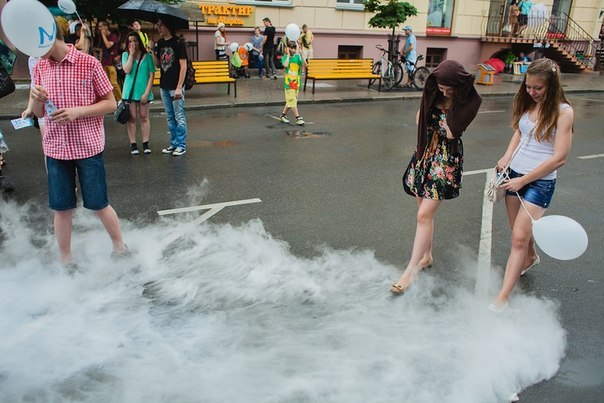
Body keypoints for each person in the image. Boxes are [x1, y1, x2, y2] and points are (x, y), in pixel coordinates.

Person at [28, 21, 128, 267]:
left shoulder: (89, 63)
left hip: (87, 146)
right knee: (61, 208)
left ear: (50, 36)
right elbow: (39, 113)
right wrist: (36, 100)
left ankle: (120, 248)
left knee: (99, 203)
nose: (33, 51)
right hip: (55, 148)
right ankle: (66, 260)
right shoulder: (40, 66)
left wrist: (78, 112)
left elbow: (111, 104)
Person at [391, 60, 482, 294]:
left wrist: (451, 103)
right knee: (424, 215)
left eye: (448, 88)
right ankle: (427, 256)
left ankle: (410, 271)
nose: (444, 91)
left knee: (423, 215)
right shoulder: (434, 94)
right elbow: (419, 120)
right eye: (440, 87)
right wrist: (431, 97)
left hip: (444, 160)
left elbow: (451, 133)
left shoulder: (469, 101)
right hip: (424, 154)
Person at [490, 58, 574, 311]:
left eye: (538, 88)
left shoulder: (563, 112)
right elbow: (520, 131)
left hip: (539, 183)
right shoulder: (528, 102)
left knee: (518, 238)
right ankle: (531, 256)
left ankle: (502, 298)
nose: (532, 92)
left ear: (552, 86)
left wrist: (524, 180)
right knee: (518, 230)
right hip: (514, 174)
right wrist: (506, 156)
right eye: (528, 86)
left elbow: (560, 158)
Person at [149, 18, 188, 156]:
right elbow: (158, 65)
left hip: (175, 86)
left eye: (161, 25)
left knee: (179, 116)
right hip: (164, 85)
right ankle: (174, 143)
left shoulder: (179, 42)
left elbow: (183, 66)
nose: (159, 28)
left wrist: (179, 87)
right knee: (170, 117)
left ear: (168, 26)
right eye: (158, 25)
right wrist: (152, 50)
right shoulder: (160, 43)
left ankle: (181, 145)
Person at [122, 32, 155, 155]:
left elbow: (152, 75)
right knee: (132, 118)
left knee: (144, 117)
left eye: (135, 41)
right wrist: (131, 54)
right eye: (130, 41)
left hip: (143, 91)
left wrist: (146, 93)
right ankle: (133, 144)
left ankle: (146, 143)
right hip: (130, 92)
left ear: (139, 42)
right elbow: (127, 70)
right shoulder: (125, 55)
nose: (133, 44)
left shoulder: (148, 56)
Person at [279, 41, 307, 126]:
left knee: (291, 100)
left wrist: (301, 54)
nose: (294, 50)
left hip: (296, 82)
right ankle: (298, 118)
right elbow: (285, 65)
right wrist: (288, 55)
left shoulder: (297, 57)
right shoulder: (285, 57)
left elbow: (305, 65)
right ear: (288, 48)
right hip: (289, 83)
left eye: (295, 48)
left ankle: (283, 115)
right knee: (292, 100)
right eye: (292, 48)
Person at [96, 21, 122, 101]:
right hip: (104, 62)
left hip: (111, 62)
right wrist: (100, 62)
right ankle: (112, 99)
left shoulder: (113, 36)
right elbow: (102, 50)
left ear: (106, 27)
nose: (99, 28)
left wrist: (103, 35)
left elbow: (108, 45)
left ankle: (120, 99)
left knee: (113, 82)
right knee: (106, 83)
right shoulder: (102, 37)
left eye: (101, 27)